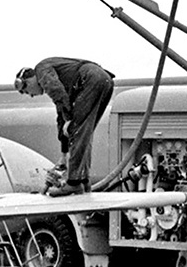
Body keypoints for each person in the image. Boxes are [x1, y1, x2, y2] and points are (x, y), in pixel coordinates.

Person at [14, 57, 115, 197]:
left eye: (26, 91)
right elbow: (61, 115)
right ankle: (83, 181)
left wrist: (69, 119)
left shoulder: (42, 70)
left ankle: (74, 183)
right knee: (84, 131)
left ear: (28, 81)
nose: (31, 95)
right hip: (104, 80)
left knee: (77, 129)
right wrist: (63, 153)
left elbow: (57, 93)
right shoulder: (60, 79)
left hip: (91, 79)